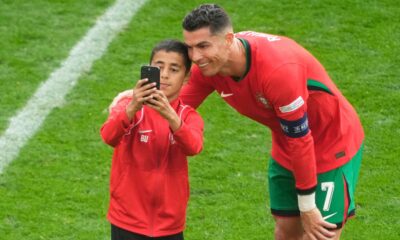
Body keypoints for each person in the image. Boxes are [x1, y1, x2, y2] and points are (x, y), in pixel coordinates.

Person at [112, 4, 364, 240]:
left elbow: (301, 138)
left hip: (332, 143)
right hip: (287, 145)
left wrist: (308, 206)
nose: (195, 57)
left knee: (319, 235)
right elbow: (178, 107)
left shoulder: (278, 71)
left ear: (229, 40)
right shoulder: (210, 68)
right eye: (190, 47)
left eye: (203, 46)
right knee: (286, 231)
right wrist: (137, 98)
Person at [101, 39, 204, 240]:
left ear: (186, 77)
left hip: (169, 224)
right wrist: (132, 107)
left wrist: (170, 116)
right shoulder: (128, 105)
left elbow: (194, 147)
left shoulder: (188, 115)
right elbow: (108, 136)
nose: (165, 74)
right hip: (127, 219)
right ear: (149, 69)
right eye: (159, 67)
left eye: (174, 69)